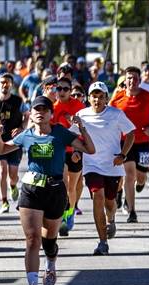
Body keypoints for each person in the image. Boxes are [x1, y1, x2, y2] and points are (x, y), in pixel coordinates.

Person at [0, 95, 95, 285]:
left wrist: (82, 128)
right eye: (36, 109)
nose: (40, 112)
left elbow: (90, 149)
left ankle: (50, 262)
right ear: (31, 113)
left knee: (49, 241)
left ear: (50, 114)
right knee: (32, 239)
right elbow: (2, 150)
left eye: (44, 109)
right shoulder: (26, 135)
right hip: (31, 189)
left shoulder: (61, 133)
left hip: (56, 190)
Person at [73, 82, 136, 255]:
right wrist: (78, 151)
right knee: (98, 197)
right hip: (91, 164)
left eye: (101, 97)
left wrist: (122, 155)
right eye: (94, 96)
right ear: (88, 97)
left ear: (106, 98)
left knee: (110, 202)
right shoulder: (81, 115)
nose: (97, 100)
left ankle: (112, 218)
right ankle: (102, 242)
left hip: (113, 165)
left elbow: (131, 133)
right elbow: (74, 136)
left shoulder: (116, 114)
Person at [110, 66, 149, 223]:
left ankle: (141, 183)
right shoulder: (117, 98)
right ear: (125, 80)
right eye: (129, 78)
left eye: (135, 78)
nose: (132, 81)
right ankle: (132, 211)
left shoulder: (148, 96)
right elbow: (107, 114)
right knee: (129, 174)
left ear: (140, 80)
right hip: (125, 142)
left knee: (141, 176)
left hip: (144, 142)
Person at [52, 77, 87, 234]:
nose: (62, 92)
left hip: (75, 150)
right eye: (59, 88)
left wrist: (78, 151)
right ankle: (63, 216)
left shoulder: (78, 106)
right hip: (60, 151)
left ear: (70, 90)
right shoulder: (52, 107)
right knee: (64, 184)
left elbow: (84, 130)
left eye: (66, 89)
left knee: (71, 187)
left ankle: (70, 213)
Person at [0, 73, 25, 213]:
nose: (5, 85)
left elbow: (28, 115)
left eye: (8, 83)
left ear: (11, 85)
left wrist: (22, 128)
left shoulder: (18, 101)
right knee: (2, 171)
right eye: (2, 82)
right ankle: (4, 202)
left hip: (14, 143)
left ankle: (13, 186)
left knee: (13, 175)